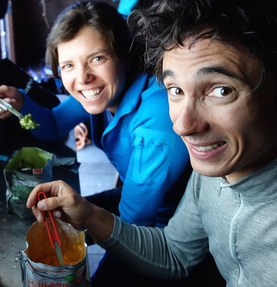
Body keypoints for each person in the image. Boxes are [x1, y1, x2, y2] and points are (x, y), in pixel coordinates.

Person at [26, 0, 277, 285]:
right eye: (176, 89)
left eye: (222, 90)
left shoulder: (160, 125)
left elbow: (137, 219)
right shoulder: (212, 173)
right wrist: (90, 217)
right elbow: (174, 252)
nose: (182, 127)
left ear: (124, 56)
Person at [0, 1, 190, 285]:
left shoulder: (156, 120)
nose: (82, 78)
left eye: (97, 58)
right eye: (68, 65)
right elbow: (52, 124)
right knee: (53, 220)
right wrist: (20, 101)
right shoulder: (98, 90)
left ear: (125, 56)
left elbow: (132, 228)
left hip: (169, 230)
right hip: (138, 202)